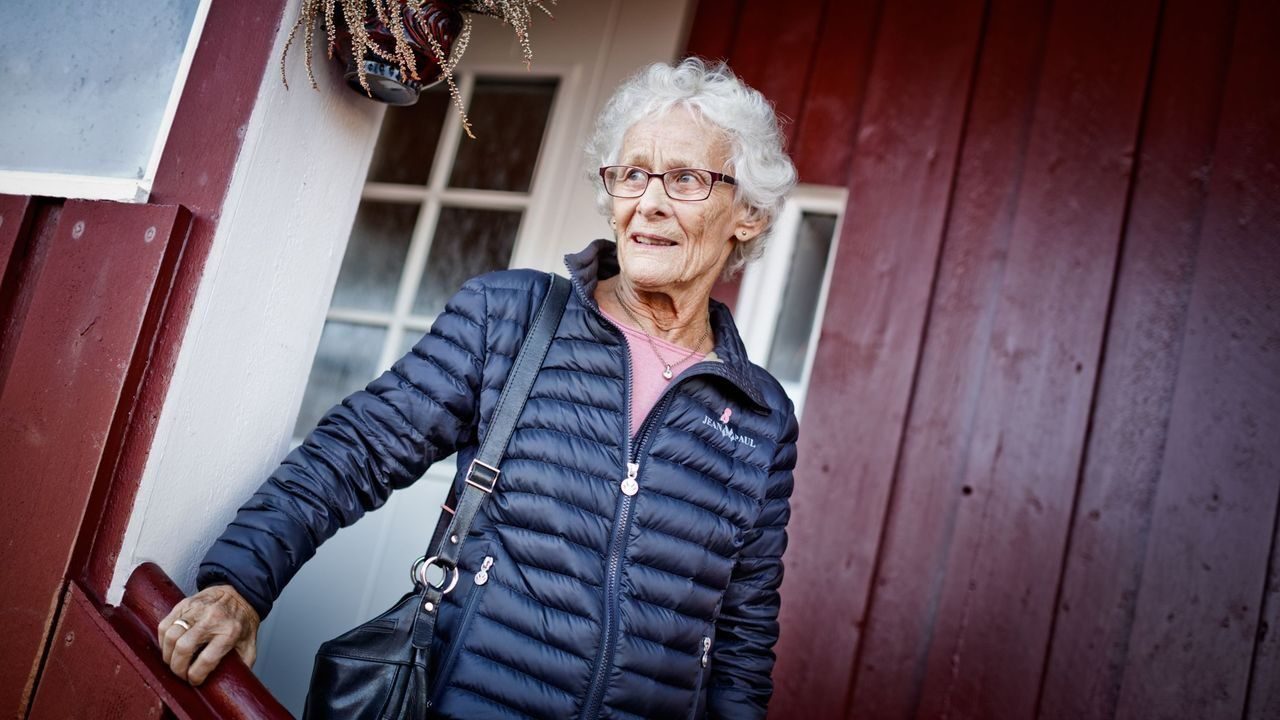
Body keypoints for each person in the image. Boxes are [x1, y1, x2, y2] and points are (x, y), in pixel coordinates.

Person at [158, 57, 800, 719]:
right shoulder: (510, 318)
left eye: (687, 179)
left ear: (748, 213)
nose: (649, 201)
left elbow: (742, 636)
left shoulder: (761, 416)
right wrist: (239, 584)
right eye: (632, 174)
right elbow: (357, 452)